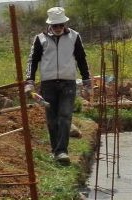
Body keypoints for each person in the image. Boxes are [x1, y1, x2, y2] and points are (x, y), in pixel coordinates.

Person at [25, 7, 91, 163]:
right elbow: (32, 61)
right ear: (50, 25)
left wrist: (87, 80)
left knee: (65, 116)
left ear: (65, 23)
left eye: (61, 25)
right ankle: (55, 151)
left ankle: (62, 152)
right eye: (55, 26)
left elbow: (81, 59)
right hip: (48, 84)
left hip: (68, 83)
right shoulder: (40, 38)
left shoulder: (74, 37)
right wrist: (29, 82)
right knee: (52, 119)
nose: (58, 28)